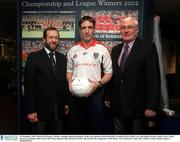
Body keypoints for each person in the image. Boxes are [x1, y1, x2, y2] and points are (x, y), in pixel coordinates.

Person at [104, 17, 160, 134]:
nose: (126, 30)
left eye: (130, 27)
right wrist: (108, 96)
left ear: (136, 30)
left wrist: (152, 105)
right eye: (123, 28)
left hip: (138, 108)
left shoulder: (147, 48)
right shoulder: (115, 50)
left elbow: (153, 78)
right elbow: (114, 75)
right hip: (118, 106)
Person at [66, 16, 112, 134]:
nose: (87, 31)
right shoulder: (73, 50)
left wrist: (98, 84)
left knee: (95, 128)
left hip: (95, 94)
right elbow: (69, 71)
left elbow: (109, 73)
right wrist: (70, 83)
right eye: (84, 28)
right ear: (80, 30)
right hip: (75, 95)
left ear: (94, 29)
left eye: (90, 27)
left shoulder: (102, 49)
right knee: (76, 128)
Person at [24, 27, 69, 134]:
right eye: (51, 37)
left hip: (58, 110)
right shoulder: (33, 57)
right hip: (39, 111)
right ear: (44, 39)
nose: (54, 40)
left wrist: (66, 103)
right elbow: (28, 86)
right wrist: (31, 110)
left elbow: (64, 83)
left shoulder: (62, 58)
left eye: (56, 38)